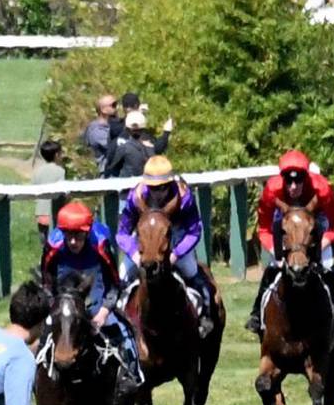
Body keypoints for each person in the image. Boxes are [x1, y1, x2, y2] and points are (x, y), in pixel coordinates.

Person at [245, 149, 334, 336]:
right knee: (273, 269)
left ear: (307, 177)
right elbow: (264, 228)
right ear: (282, 179)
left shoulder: (321, 189)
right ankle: (257, 315)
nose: (294, 186)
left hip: (317, 223)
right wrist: (275, 250)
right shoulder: (272, 191)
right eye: (288, 181)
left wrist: (320, 246)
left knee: (327, 266)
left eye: (299, 180)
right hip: (287, 223)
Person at [116, 156, 217, 338]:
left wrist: (176, 255)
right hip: (143, 239)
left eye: (162, 187)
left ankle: (205, 315)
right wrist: (135, 254)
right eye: (153, 188)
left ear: (170, 183)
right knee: (122, 275)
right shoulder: (135, 197)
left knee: (191, 271)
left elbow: (194, 231)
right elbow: (122, 233)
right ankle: (115, 324)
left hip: (175, 237)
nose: (158, 193)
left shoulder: (184, 197)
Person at [40, 201, 141, 381]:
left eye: (78, 236)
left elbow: (113, 284)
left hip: (97, 303)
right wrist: (55, 309)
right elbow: (46, 284)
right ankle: (37, 375)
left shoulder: (101, 246)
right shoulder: (53, 247)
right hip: (64, 307)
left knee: (122, 329)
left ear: (87, 232)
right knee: (45, 329)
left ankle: (132, 374)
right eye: (68, 235)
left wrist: (103, 313)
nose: (72, 242)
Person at [105, 110, 171, 179]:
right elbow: (160, 147)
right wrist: (166, 133)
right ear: (144, 128)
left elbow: (111, 167)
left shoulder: (124, 148)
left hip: (127, 186)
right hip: (147, 185)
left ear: (127, 129)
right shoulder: (151, 147)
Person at [32, 140, 66, 247]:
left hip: (41, 211)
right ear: (56, 155)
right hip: (55, 211)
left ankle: (44, 260)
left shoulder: (37, 171)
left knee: (44, 241)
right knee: (57, 241)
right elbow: (63, 191)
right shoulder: (60, 171)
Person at [80, 95, 119, 174]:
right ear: (103, 110)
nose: (117, 108)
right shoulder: (96, 130)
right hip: (109, 173)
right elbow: (115, 147)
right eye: (113, 105)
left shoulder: (113, 126)